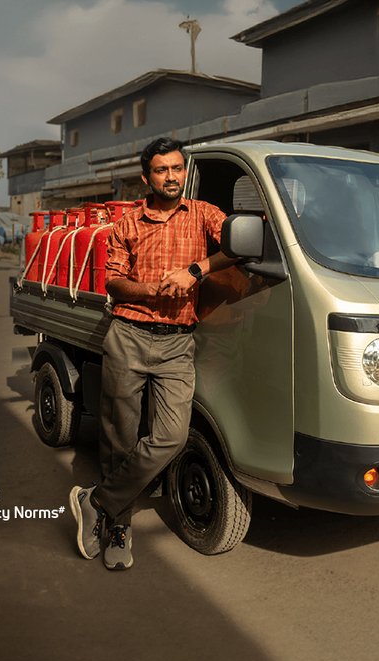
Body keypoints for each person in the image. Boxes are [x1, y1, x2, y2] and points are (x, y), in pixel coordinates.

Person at [68, 138, 239, 571]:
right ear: (147, 178)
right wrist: (153, 290)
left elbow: (238, 246)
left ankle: (97, 501)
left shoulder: (203, 214)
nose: (171, 177)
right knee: (119, 438)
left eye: (177, 169)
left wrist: (196, 270)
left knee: (171, 436)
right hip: (128, 335)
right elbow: (113, 281)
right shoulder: (127, 224)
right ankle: (119, 528)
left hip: (177, 342)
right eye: (162, 170)